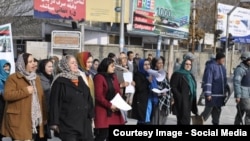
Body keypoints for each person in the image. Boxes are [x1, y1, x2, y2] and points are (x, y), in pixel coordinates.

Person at [1, 53, 47, 140]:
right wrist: (25, 91)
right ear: (23, 64)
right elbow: (7, 95)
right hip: (18, 120)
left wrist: (44, 116)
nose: (33, 63)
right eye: (30, 62)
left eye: (33, 61)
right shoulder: (13, 78)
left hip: (34, 120)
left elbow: (41, 98)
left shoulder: (36, 78)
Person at [49, 55, 94, 141]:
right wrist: (54, 122)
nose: (75, 65)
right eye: (72, 63)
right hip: (68, 123)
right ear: (65, 65)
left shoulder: (80, 78)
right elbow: (54, 103)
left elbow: (89, 98)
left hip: (84, 123)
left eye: (76, 63)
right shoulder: (60, 81)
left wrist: (91, 115)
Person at [93, 57, 125, 141]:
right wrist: (110, 105)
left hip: (115, 111)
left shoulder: (113, 77)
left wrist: (120, 103)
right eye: (112, 66)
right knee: (102, 135)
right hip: (104, 111)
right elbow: (99, 96)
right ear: (106, 66)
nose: (114, 67)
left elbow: (118, 92)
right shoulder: (99, 77)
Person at [200, 52, 227, 125]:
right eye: (223, 59)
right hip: (212, 95)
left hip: (220, 95)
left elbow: (224, 81)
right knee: (207, 111)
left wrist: (225, 92)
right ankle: (198, 122)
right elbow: (208, 80)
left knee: (217, 112)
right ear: (218, 59)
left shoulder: (223, 68)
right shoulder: (211, 66)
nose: (224, 60)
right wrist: (208, 93)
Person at [170, 58, 198, 125]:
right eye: (187, 64)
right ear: (183, 64)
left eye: (190, 64)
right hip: (181, 103)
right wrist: (180, 97)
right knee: (183, 121)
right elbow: (173, 87)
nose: (188, 66)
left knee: (186, 121)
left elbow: (194, 89)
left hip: (189, 102)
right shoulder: (177, 74)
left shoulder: (190, 75)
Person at [131, 59, 153, 125]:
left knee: (148, 119)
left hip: (149, 99)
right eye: (145, 65)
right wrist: (148, 81)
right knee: (142, 120)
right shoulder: (138, 75)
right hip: (141, 101)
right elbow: (139, 88)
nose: (147, 66)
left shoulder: (150, 74)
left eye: (148, 64)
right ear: (141, 66)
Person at [36, 59, 54, 140]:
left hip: (48, 111)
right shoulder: (38, 78)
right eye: (49, 66)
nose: (51, 68)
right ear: (43, 68)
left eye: (52, 66)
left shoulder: (51, 78)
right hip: (40, 112)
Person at [150, 57, 171, 125]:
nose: (161, 64)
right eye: (159, 63)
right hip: (157, 100)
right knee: (156, 120)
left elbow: (168, 85)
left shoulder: (165, 73)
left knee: (163, 120)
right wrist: (160, 92)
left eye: (162, 63)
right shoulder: (153, 73)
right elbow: (153, 86)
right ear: (155, 64)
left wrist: (171, 97)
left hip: (166, 99)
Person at [233, 52, 250, 125]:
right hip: (243, 94)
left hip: (248, 94)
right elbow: (237, 83)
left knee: (241, 113)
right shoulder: (240, 69)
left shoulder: (248, 68)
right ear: (245, 60)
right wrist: (238, 95)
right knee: (248, 111)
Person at [0, 59, 11, 140]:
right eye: (4, 66)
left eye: (8, 66)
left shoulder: (10, 78)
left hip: (7, 106)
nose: (6, 68)